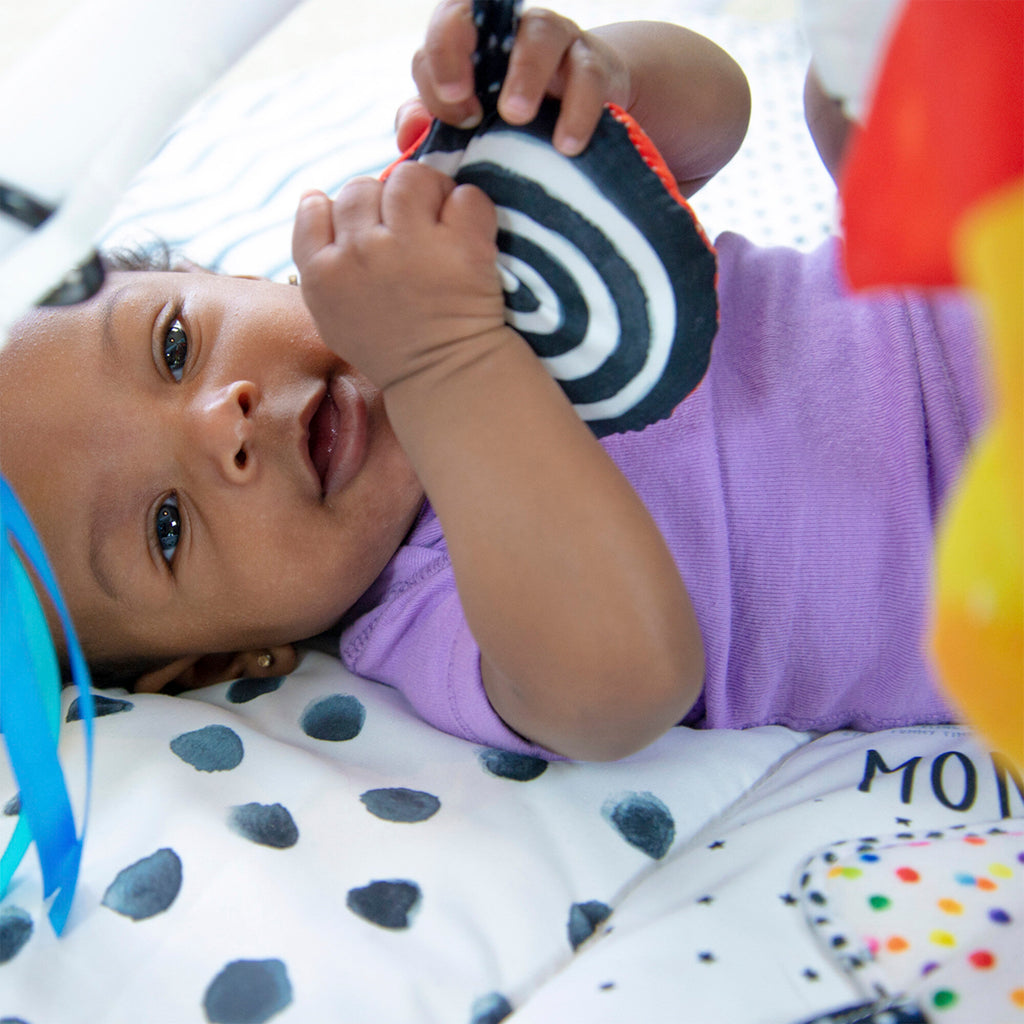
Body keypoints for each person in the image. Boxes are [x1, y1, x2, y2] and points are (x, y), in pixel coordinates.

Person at [0, 3, 985, 762]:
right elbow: (624, 684)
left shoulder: (430, 251)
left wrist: (591, 83)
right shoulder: (434, 615)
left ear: (235, 277)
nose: (224, 420)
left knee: (856, 84)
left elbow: (712, 120)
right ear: (222, 659)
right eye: (165, 525)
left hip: (958, 282)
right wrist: (444, 357)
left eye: (175, 347)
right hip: (991, 538)